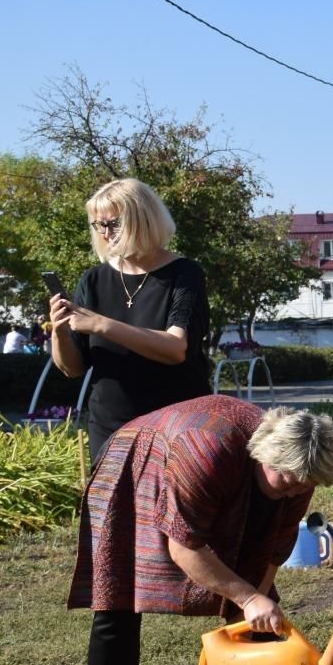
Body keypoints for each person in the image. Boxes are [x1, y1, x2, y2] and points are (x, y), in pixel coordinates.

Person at [68, 396, 333, 665]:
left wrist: (253, 601)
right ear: (265, 455)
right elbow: (184, 546)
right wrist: (246, 597)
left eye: (306, 485)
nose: (297, 491)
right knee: (118, 599)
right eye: (290, 481)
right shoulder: (207, 450)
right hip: (140, 463)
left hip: (214, 466)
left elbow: (273, 550)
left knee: (260, 607)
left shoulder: (297, 470)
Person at [50, 178, 211, 462]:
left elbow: (175, 349)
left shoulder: (184, 274)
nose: (106, 233)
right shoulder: (93, 279)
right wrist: (59, 330)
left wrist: (101, 325)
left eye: (113, 223)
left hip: (176, 428)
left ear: (142, 219)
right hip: (109, 430)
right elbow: (72, 368)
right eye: (99, 225)